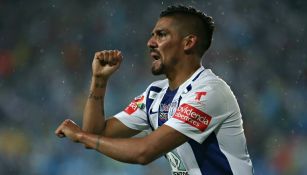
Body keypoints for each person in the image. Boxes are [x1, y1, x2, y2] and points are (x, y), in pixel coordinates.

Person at [55, 5, 254, 175]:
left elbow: (144, 152)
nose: (150, 43)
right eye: (152, 35)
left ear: (188, 42)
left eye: (161, 35)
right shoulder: (154, 95)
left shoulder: (209, 92)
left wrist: (81, 136)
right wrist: (99, 80)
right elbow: (96, 134)